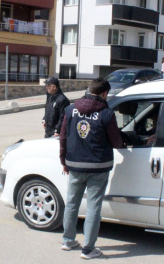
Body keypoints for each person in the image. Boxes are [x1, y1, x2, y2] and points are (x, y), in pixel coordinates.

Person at [59, 77, 124, 259]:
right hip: (98, 166)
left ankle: (68, 240)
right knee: (93, 206)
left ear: (89, 90)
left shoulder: (71, 110)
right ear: (105, 93)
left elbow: (63, 137)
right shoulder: (106, 113)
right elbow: (116, 141)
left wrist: (64, 161)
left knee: (72, 203)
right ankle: (88, 249)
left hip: (75, 165)